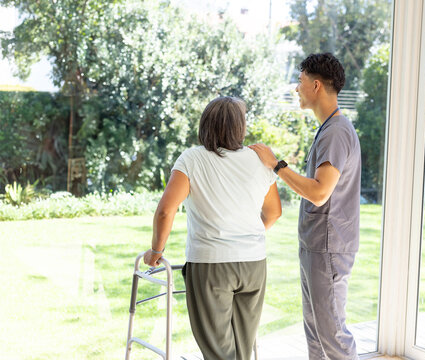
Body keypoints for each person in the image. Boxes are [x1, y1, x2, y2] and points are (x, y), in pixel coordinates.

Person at [143, 96, 282, 360]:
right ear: (239, 127)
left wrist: (155, 250)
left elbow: (165, 211)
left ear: (206, 124)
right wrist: (247, 238)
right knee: (242, 349)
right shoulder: (259, 160)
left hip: (211, 265)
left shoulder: (192, 159)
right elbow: (274, 212)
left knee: (219, 352)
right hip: (253, 264)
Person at [249, 53, 361, 360]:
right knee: (316, 334)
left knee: (332, 335)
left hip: (328, 247)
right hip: (317, 246)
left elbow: (320, 192)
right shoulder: (328, 128)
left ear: (315, 86)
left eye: (299, 82)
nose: (296, 89)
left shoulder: (336, 132)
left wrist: (276, 165)